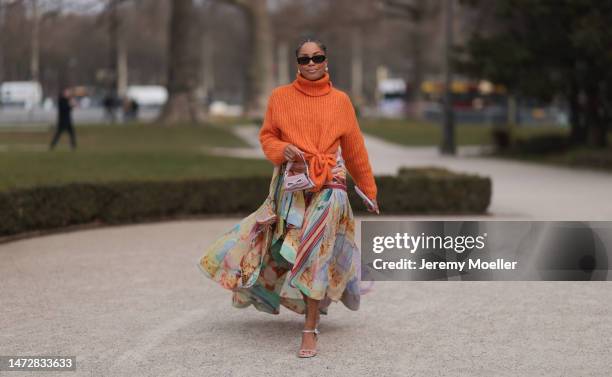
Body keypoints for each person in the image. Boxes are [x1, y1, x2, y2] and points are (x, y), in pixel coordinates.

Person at [197, 37, 379, 358]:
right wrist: (283, 150)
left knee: (315, 253)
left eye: (317, 57)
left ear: (326, 60)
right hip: (291, 186)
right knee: (283, 249)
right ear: (297, 64)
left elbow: (354, 147)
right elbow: (267, 137)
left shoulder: (341, 101)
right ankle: (305, 302)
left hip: (331, 186)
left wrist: (368, 187)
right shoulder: (280, 98)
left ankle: (309, 330)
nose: (311, 64)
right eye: (304, 59)